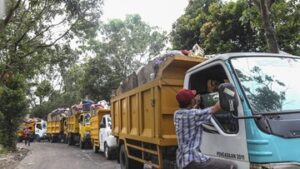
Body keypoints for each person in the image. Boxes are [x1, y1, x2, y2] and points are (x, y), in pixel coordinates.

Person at [174, 89, 237, 169]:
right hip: (193, 159)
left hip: (182, 160)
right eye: (194, 97)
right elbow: (216, 108)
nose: (196, 97)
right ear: (191, 101)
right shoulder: (193, 115)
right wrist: (226, 91)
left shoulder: (177, 114)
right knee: (232, 166)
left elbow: (193, 113)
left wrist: (196, 103)